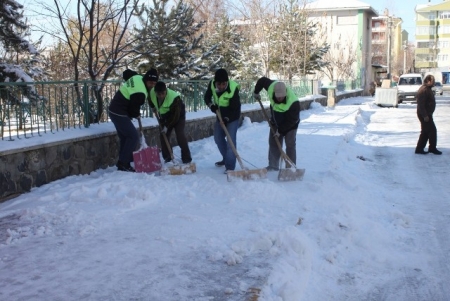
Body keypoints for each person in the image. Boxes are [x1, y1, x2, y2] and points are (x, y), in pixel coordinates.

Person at [108, 69, 158, 171]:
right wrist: (136, 114)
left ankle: (122, 161)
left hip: (114, 109)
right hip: (119, 111)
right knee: (133, 136)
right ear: (146, 80)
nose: (152, 85)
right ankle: (124, 163)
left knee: (125, 137)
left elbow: (127, 73)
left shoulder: (138, 77)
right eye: (150, 83)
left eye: (154, 83)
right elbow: (133, 108)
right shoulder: (140, 93)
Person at [253, 77, 300, 171]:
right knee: (273, 143)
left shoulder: (293, 102)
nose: (279, 98)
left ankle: (291, 168)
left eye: (282, 97)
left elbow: (292, 120)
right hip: (275, 121)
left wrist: (281, 130)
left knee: (290, 144)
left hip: (291, 124)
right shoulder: (271, 87)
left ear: (285, 93)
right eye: (278, 96)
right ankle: (273, 165)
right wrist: (256, 92)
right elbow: (262, 80)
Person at [204, 68, 241, 173]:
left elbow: (234, 107)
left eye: (223, 84)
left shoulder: (233, 88)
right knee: (218, 138)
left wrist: (226, 119)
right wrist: (211, 106)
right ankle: (226, 158)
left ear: (227, 82)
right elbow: (207, 97)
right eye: (218, 84)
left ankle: (230, 167)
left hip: (232, 116)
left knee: (230, 140)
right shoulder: (212, 84)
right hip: (220, 115)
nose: (221, 87)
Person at [149, 81, 192, 164]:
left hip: (178, 115)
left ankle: (187, 158)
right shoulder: (152, 93)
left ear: (166, 91)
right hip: (164, 115)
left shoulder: (174, 98)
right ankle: (168, 158)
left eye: (163, 93)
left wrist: (167, 126)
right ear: (155, 92)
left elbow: (175, 116)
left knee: (180, 135)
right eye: (159, 94)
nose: (161, 96)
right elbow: (150, 99)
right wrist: (153, 107)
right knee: (163, 136)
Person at [415, 74, 442, 155]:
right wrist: (425, 115)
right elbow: (421, 104)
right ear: (428, 81)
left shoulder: (427, 89)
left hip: (427, 113)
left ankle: (419, 149)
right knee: (432, 130)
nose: (434, 82)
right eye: (432, 81)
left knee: (425, 131)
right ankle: (432, 148)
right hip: (425, 114)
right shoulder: (424, 90)